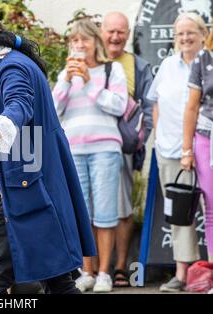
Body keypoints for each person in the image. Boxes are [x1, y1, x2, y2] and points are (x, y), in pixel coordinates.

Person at [0, 9, 96, 294]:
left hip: (24, 191)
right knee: (58, 282)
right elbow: (18, 136)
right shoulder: (8, 65)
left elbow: (18, 108)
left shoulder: (12, 67)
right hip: (28, 184)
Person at [52, 18, 128, 293]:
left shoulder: (112, 69)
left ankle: (105, 273)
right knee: (81, 214)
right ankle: (86, 271)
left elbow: (119, 106)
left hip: (105, 150)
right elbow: (53, 109)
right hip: (74, 151)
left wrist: (89, 82)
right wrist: (69, 80)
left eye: (84, 39)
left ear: (96, 42)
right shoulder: (66, 74)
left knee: (105, 214)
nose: (79, 45)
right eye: (74, 40)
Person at [147, 13, 207, 292]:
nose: (185, 38)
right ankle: (183, 274)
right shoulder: (168, 65)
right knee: (180, 212)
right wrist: (159, 136)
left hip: (205, 148)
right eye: (180, 33)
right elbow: (156, 103)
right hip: (170, 148)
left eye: (190, 33)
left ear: (203, 34)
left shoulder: (208, 63)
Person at [100, 11, 154, 287]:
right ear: (101, 32)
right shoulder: (89, 61)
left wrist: (139, 139)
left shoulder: (138, 66)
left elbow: (149, 107)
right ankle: (96, 269)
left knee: (122, 208)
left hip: (122, 148)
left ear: (129, 34)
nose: (116, 37)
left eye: (121, 32)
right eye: (111, 31)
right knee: (90, 208)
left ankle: (120, 267)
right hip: (89, 145)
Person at [181, 14, 213, 275]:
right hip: (206, 138)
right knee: (211, 208)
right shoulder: (204, 58)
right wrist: (187, 149)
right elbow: (191, 108)